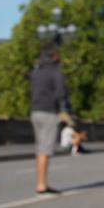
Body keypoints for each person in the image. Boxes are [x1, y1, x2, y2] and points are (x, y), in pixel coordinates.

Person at [29, 42, 71, 194]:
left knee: (40, 147)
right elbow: (61, 93)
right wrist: (64, 111)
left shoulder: (36, 72)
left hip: (35, 112)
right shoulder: (55, 72)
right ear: (53, 56)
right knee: (45, 149)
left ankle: (41, 182)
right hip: (48, 112)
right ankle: (41, 184)